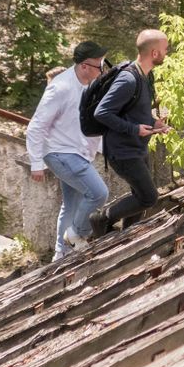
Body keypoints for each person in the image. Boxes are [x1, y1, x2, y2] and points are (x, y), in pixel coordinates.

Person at [25, 41, 110, 261]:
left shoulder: (89, 85)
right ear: (84, 66)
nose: (102, 70)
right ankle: (76, 235)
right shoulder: (60, 88)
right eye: (99, 66)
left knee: (71, 205)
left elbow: (85, 124)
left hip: (77, 152)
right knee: (98, 193)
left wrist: (105, 149)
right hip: (60, 153)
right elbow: (36, 126)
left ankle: (61, 254)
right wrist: (36, 163)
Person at [89, 29, 171, 236]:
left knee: (140, 197)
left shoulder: (146, 76)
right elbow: (102, 112)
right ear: (154, 53)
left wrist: (155, 124)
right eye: (165, 49)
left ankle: (128, 235)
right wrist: (134, 129)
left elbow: (135, 112)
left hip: (137, 147)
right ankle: (101, 218)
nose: (167, 53)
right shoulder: (128, 80)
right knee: (149, 197)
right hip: (122, 151)